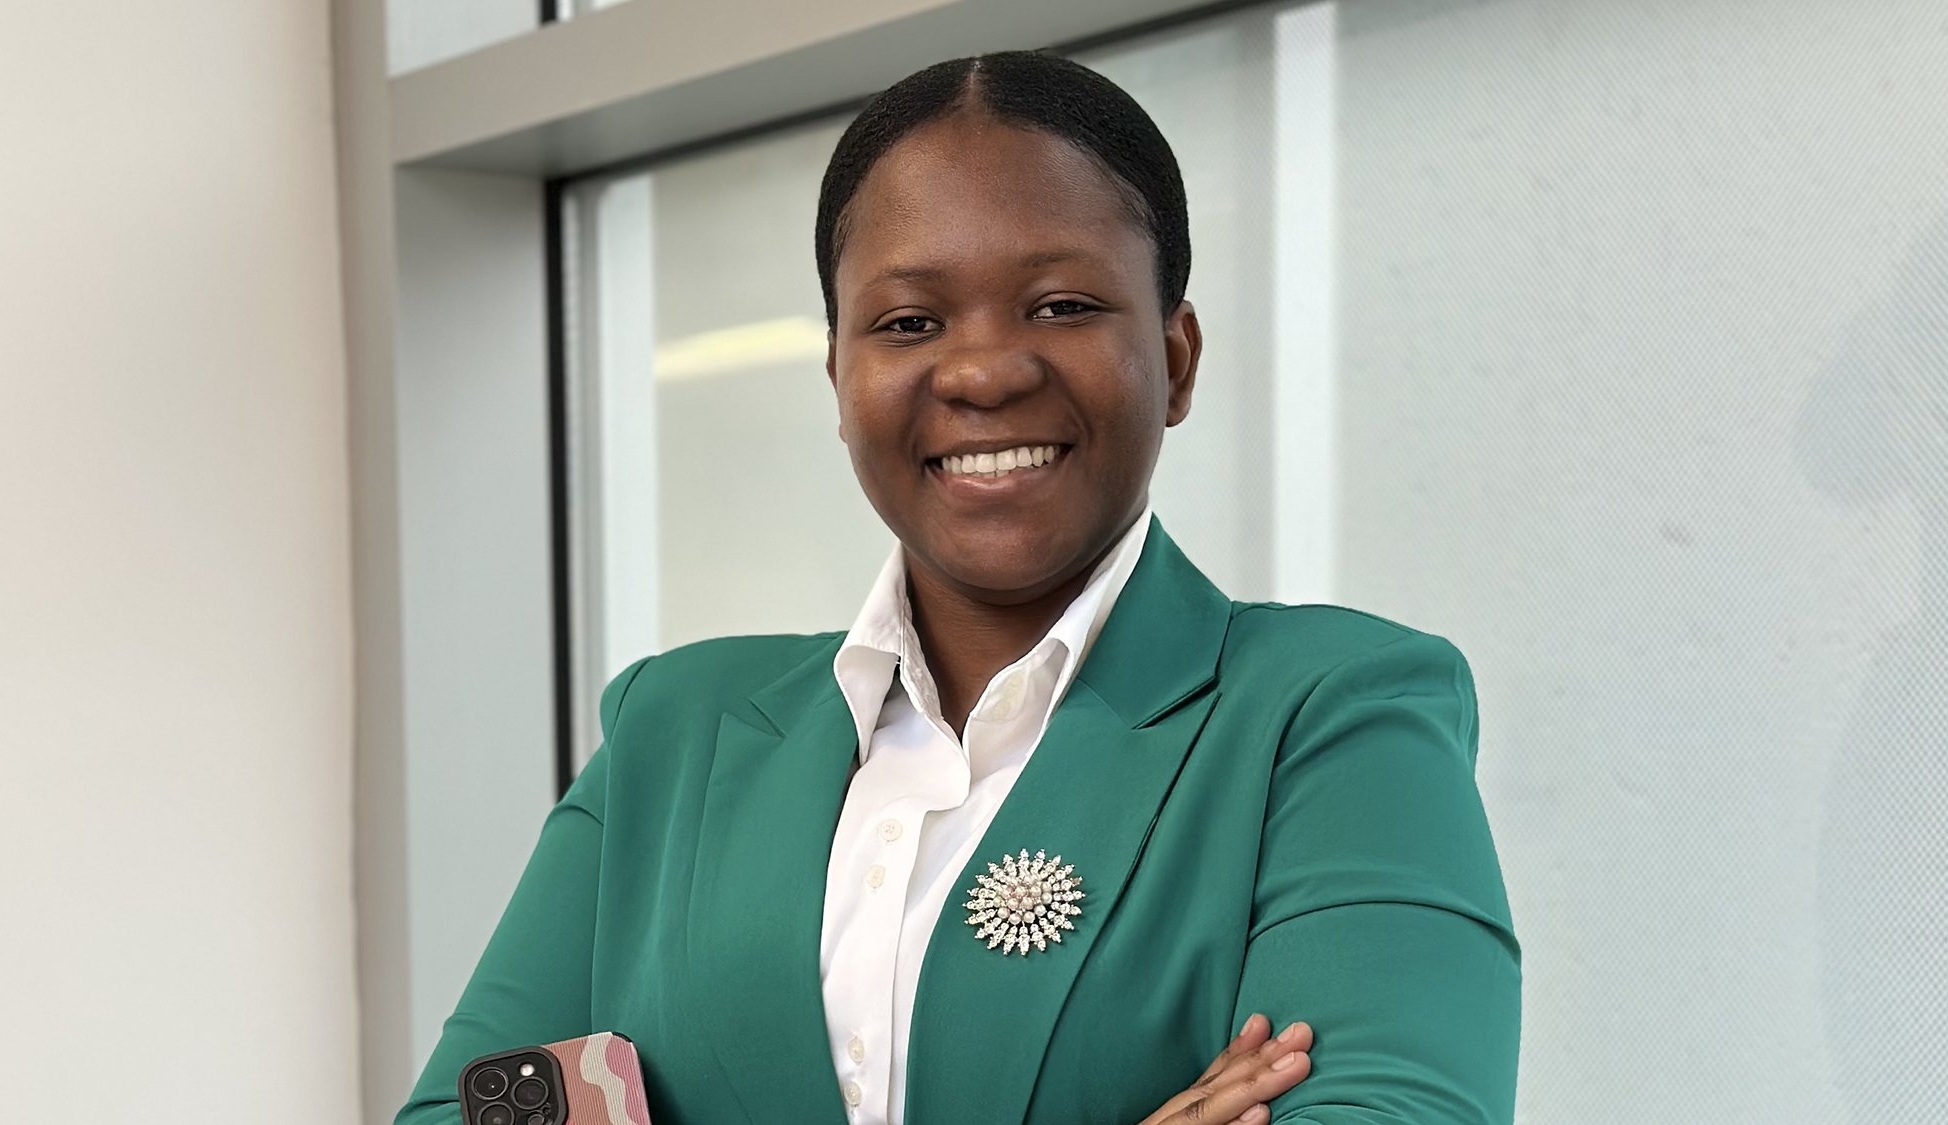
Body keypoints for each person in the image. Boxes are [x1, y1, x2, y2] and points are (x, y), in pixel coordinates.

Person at [397, 51, 1519, 1125]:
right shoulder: (670, 733)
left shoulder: (1333, 716)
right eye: (907, 323)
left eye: (1062, 306)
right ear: (840, 376)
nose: (983, 370)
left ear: (1174, 358)